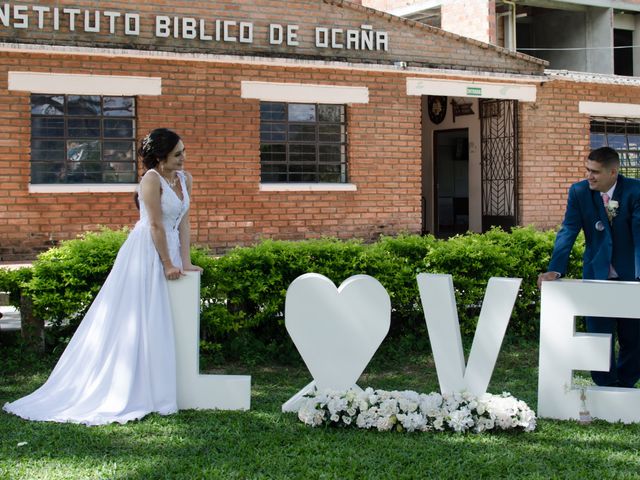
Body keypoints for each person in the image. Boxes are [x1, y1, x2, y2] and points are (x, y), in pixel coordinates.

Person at [3, 128, 202, 425]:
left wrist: (184, 261)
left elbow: (183, 221)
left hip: (171, 248)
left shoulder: (185, 179)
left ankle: (157, 383)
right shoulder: (151, 180)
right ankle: (128, 383)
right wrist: (167, 263)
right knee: (138, 315)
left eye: (183, 151)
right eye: (177, 154)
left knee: (161, 317)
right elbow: (156, 226)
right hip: (147, 252)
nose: (183, 158)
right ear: (160, 158)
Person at [538, 146, 640, 388]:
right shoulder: (579, 192)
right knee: (598, 335)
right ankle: (605, 386)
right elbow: (569, 230)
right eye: (587, 170)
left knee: (634, 338)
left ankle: (624, 385)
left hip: (631, 277)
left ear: (613, 172)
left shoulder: (636, 191)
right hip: (597, 275)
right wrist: (555, 268)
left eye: (595, 172)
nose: (589, 176)